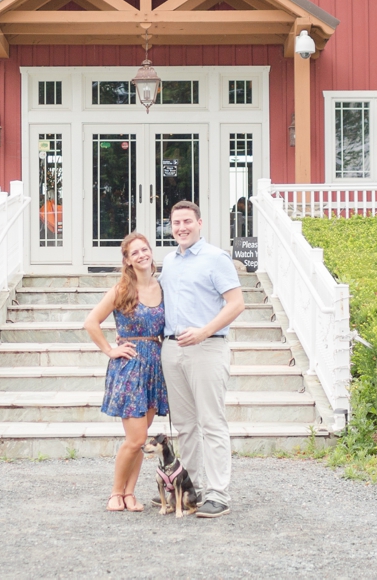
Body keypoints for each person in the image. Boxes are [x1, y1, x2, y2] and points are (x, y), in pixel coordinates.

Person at [158, 200, 245, 518]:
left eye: (186, 222)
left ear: (200, 223)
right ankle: (189, 489)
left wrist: (204, 332)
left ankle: (218, 493)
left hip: (207, 348)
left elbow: (236, 304)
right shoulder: (169, 261)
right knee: (184, 425)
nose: (181, 227)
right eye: (175, 222)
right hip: (173, 349)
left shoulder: (215, 258)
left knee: (211, 421)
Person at [83, 231, 168, 512]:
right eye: (135, 253)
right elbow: (91, 322)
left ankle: (130, 494)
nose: (142, 255)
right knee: (136, 439)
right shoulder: (122, 290)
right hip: (130, 367)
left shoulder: (163, 287)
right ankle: (115, 493)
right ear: (128, 260)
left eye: (145, 249)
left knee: (143, 437)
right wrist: (110, 349)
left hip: (155, 365)